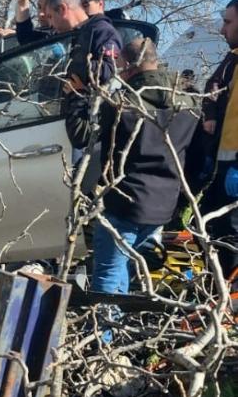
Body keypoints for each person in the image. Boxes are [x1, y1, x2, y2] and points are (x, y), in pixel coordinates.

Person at [65, 38, 199, 294]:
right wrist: (181, 199)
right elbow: (196, 158)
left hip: (125, 203)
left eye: (119, 66)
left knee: (108, 275)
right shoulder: (188, 103)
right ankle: (119, 316)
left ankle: (105, 320)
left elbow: (81, 135)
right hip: (163, 206)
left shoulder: (121, 103)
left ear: (128, 65)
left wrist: (76, 97)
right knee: (128, 269)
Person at [199, 0, 238, 276]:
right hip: (225, 165)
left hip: (233, 164)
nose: (222, 30)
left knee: (230, 238)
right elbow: (213, 86)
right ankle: (218, 292)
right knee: (211, 227)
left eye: (228, 22)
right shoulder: (232, 59)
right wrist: (211, 112)